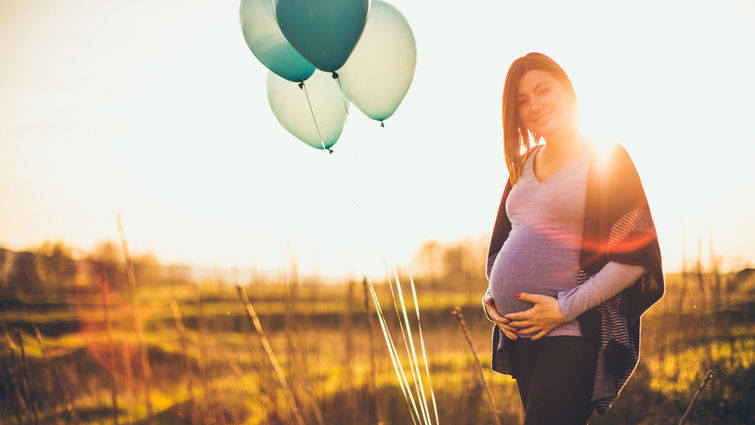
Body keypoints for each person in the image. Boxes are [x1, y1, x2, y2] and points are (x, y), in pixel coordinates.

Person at [482, 52, 664, 425]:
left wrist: (564, 308)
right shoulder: (522, 164)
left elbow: (635, 256)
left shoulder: (606, 158)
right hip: (521, 336)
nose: (533, 105)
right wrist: (491, 300)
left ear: (566, 90)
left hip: (573, 330)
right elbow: (507, 243)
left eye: (542, 90)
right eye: (521, 101)